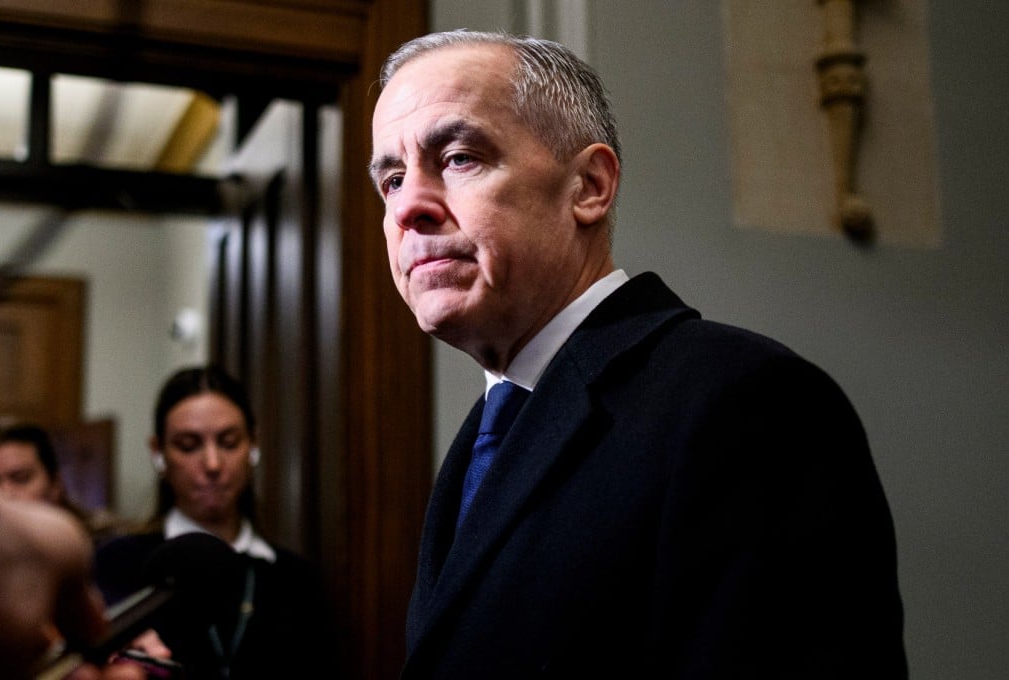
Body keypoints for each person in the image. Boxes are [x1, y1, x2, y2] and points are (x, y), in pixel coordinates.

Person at [369, 30, 907, 678]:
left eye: (457, 158)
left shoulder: (748, 404)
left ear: (589, 186)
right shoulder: (489, 436)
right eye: (392, 179)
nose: (410, 209)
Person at [93, 365, 332, 679]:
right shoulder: (116, 563)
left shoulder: (296, 578)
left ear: (253, 444)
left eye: (229, 442)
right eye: (188, 445)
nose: (212, 464)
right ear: (158, 451)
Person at [0, 483, 145, 680]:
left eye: (20, 478)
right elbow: (92, 635)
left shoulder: (55, 542)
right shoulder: (56, 538)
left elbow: (91, 638)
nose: (8, 491)